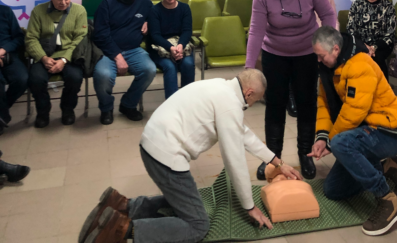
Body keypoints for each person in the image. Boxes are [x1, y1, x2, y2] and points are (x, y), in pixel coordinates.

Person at [78, 70, 303, 243]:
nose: (250, 106)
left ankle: (122, 205)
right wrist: (249, 206)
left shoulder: (219, 86)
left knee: (185, 199)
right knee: (197, 225)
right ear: (249, 93)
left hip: (151, 143)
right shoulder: (230, 105)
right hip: (165, 157)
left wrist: (278, 163)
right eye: (254, 102)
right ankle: (122, 229)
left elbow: (242, 133)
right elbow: (234, 160)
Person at [310, 26, 397, 236]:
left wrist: (330, 142)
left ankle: (388, 200)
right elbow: (324, 104)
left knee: (340, 144)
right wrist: (321, 137)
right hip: (364, 129)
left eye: (321, 56)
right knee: (333, 190)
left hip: (388, 131)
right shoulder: (328, 68)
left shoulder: (360, 64)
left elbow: (354, 112)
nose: (318, 60)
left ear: (335, 49)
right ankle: (388, 166)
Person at [246, 0, 336, 181]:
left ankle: (305, 154)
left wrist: (325, 45)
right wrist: (249, 68)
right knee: (275, 105)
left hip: (307, 53)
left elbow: (327, 14)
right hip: (274, 54)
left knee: (307, 103)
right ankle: (272, 158)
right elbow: (256, 30)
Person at [93, 0, 156, 125]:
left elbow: (157, 17)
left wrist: (149, 22)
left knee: (149, 69)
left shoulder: (145, 3)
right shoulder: (106, 4)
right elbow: (100, 35)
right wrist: (118, 57)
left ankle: (128, 104)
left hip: (134, 50)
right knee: (102, 75)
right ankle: (106, 108)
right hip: (108, 52)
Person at [25, 0, 87, 128]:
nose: (63, 2)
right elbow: (31, 38)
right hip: (44, 54)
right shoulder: (38, 11)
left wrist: (64, 59)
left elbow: (80, 39)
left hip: (69, 55)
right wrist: (43, 58)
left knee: (75, 78)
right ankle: (43, 112)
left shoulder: (79, 11)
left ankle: (67, 110)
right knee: (36, 80)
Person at [147, 0, 195, 99]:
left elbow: (187, 31)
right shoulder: (155, 11)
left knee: (188, 64)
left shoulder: (184, 8)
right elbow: (155, 35)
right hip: (160, 48)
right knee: (170, 67)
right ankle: (172, 102)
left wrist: (180, 46)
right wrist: (171, 48)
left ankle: (187, 99)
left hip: (180, 45)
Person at [346, 0, 396, 81]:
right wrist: (363, 45)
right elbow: (350, 28)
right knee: (357, 58)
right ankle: (361, 86)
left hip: (382, 44)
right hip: (361, 42)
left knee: (377, 58)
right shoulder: (357, 3)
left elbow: (390, 33)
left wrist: (374, 47)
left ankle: (383, 87)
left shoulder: (388, 6)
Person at [0, 4, 29, 135]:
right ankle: (2, 118)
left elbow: (19, 37)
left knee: (23, 79)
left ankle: (2, 112)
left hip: (7, 55)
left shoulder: (5, 11)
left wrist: (4, 49)